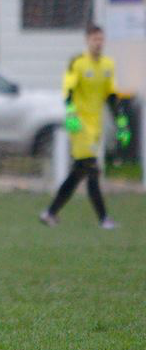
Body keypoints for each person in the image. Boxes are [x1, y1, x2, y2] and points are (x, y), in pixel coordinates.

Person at [39, 24, 130, 229]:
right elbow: (68, 91)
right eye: (94, 39)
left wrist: (122, 123)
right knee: (92, 169)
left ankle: (50, 213)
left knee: (79, 172)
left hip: (95, 127)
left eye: (101, 40)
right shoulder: (77, 63)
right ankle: (104, 219)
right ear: (87, 41)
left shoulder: (108, 65)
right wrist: (70, 113)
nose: (98, 43)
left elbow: (112, 97)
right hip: (79, 125)